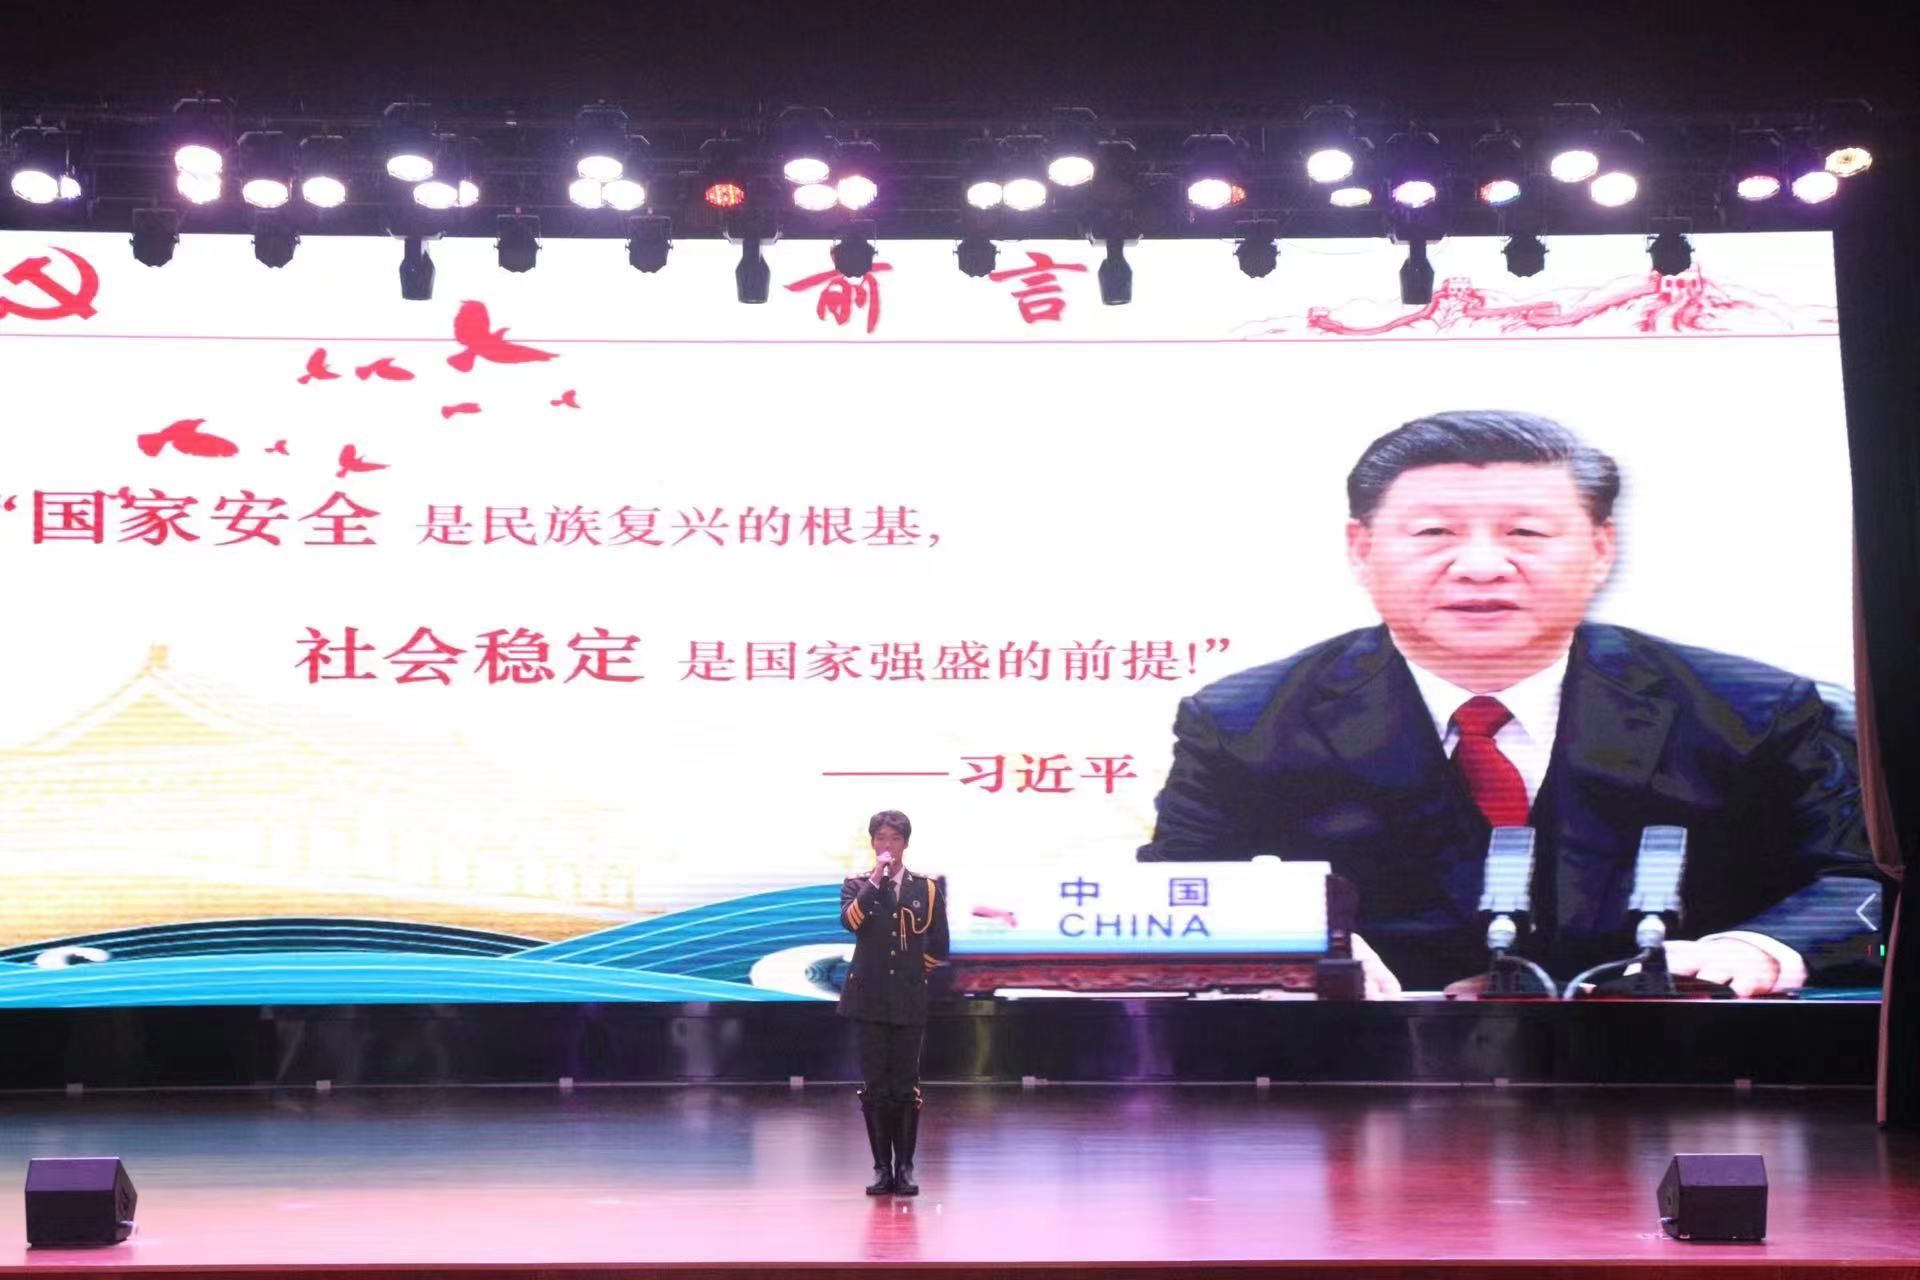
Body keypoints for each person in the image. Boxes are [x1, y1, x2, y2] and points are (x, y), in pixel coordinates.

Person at [1138, 410, 1881, 995]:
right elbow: (1176, 898)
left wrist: (1757, 948)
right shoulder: (1246, 722)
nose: (1482, 565)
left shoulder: (1749, 709)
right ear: (1361, 549)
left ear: (1600, 549)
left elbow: (1859, 880)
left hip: (1689, 1073)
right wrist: (1287, 949)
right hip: (1361, 1082)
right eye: (1434, 533)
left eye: (1526, 533)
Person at [838, 809, 949, 1195]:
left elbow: (938, 945)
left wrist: (913, 976)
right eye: (881, 838)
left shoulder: (927, 889)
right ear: (873, 843)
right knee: (875, 1086)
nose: (888, 845)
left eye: (895, 839)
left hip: (907, 998)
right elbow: (851, 922)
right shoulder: (857, 884)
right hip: (867, 997)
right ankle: (881, 1169)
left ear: (905, 844)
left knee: (904, 1085)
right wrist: (875, 880)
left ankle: (905, 1168)